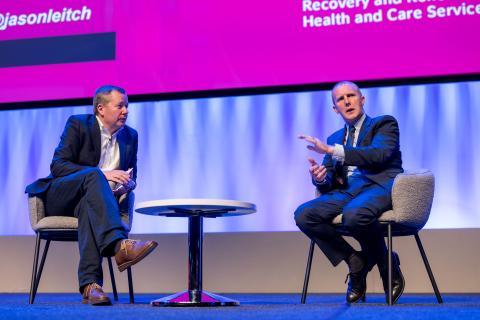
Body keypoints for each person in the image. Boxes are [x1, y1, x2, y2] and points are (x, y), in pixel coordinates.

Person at [25, 85, 158, 306]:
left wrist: (126, 185)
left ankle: (91, 286)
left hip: (94, 202)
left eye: (127, 105)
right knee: (95, 177)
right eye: (120, 106)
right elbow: (58, 166)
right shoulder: (78, 124)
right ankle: (119, 246)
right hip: (62, 196)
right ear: (101, 109)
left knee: (90, 204)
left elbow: (133, 175)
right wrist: (103, 175)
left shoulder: (130, 136)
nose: (126, 110)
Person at [295, 81, 405, 304]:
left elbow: (379, 155)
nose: (347, 101)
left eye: (351, 96)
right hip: (347, 191)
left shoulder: (384, 124)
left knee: (355, 215)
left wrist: (332, 151)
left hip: (379, 185)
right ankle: (355, 260)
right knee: (304, 215)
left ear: (362, 100)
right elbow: (328, 181)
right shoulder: (334, 138)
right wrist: (320, 177)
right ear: (335, 108)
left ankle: (386, 266)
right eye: (340, 99)